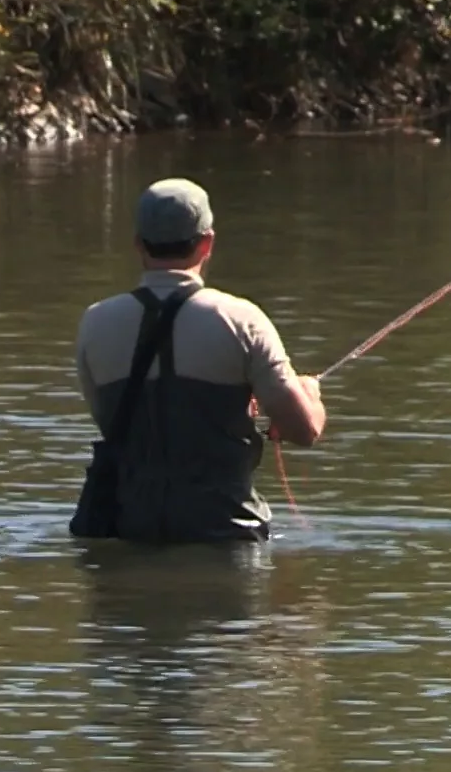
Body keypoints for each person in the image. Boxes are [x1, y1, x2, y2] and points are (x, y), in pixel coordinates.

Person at [70, 177, 326, 543]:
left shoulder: (96, 322)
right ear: (207, 243)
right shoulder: (241, 320)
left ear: (138, 243)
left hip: (126, 532)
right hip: (226, 537)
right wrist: (308, 394)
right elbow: (304, 430)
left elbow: (113, 424)